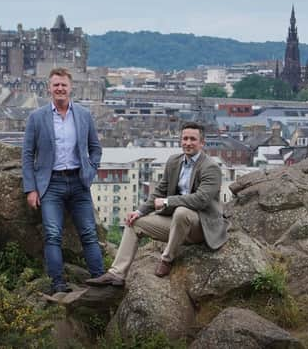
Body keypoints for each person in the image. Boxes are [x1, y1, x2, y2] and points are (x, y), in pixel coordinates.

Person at [87, 122, 229, 286]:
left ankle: (167, 259)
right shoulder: (174, 161)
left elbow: (201, 199)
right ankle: (117, 274)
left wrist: (168, 201)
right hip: (177, 223)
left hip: (201, 226)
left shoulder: (210, 167)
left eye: (193, 139)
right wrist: (139, 212)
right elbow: (160, 190)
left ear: (202, 143)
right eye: (185, 138)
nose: (188, 143)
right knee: (134, 223)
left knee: (182, 212)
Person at [22, 67, 104, 294]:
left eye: (63, 85)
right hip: (51, 183)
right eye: (56, 85)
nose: (60, 88)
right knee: (52, 234)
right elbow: (28, 154)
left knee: (88, 232)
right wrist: (31, 189)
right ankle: (57, 283)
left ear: (70, 88)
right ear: (49, 88)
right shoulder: (37, 117)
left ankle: (100, 278)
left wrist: (91, 170)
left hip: (79, 181)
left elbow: (95, 148)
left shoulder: (84, 115)